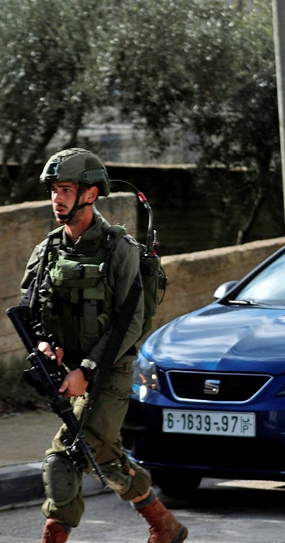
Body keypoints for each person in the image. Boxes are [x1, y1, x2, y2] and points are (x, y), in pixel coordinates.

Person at [19, 149, 187, 543]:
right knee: (104, 457)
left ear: (91, 194)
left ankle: (53, 535)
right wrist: (47, 346)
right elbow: (30, 309)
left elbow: (131, 322)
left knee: (64, 458)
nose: (57, 198)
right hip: (68, 373)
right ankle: (164, 523)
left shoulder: (120, 249)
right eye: (53, 191)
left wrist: (88, 370)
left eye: (65, 189)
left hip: (109, 372)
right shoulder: (47, 251)